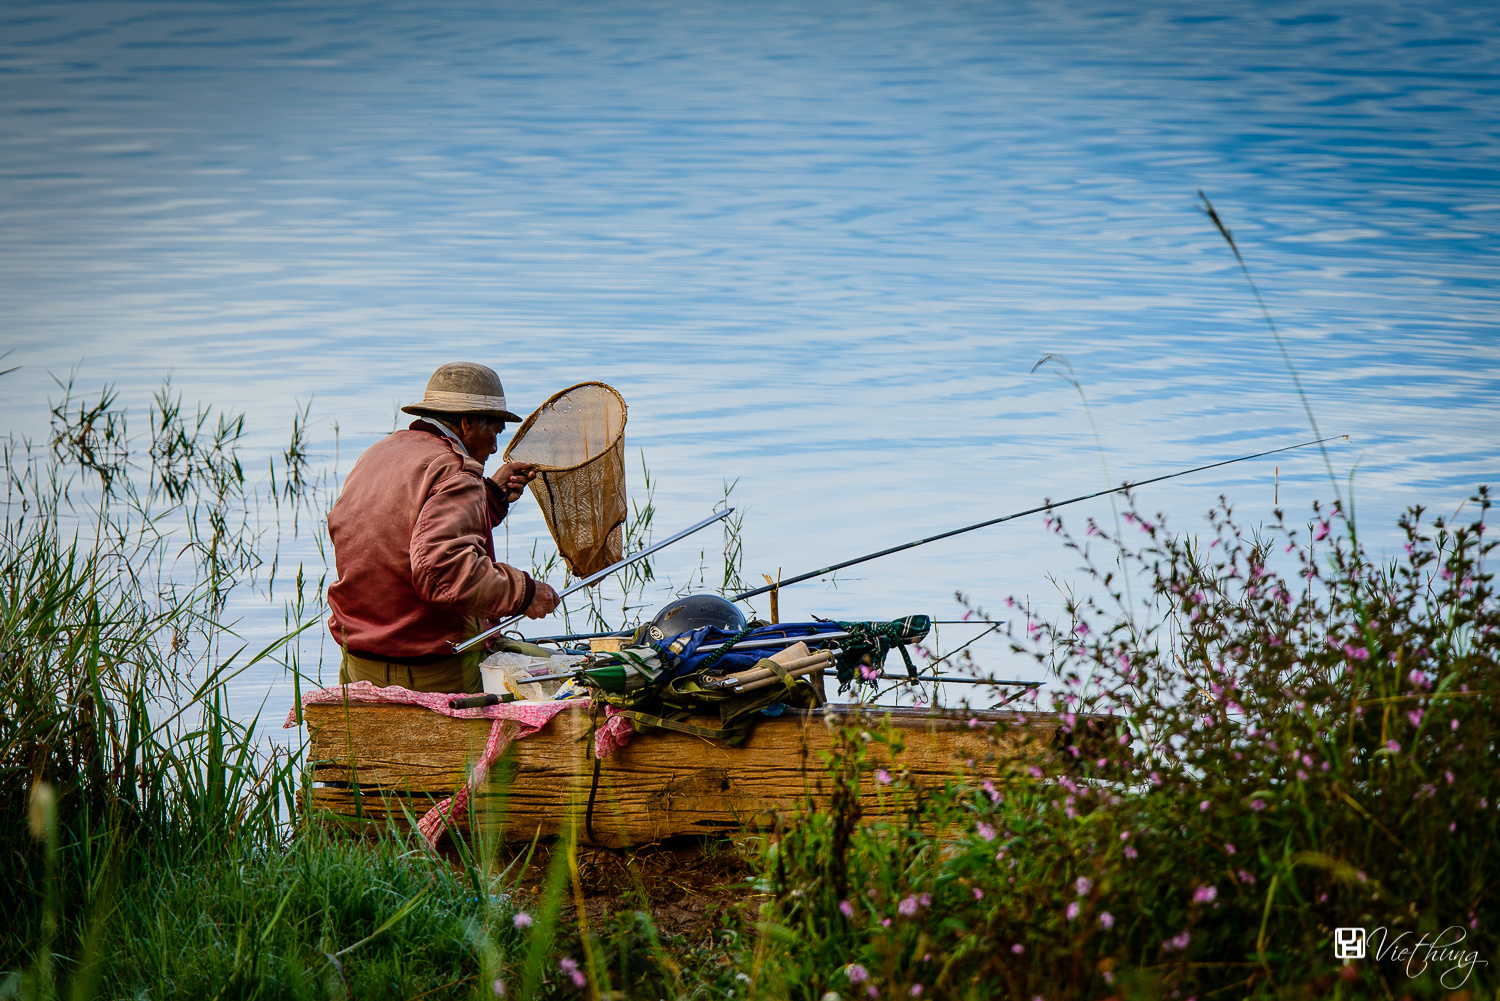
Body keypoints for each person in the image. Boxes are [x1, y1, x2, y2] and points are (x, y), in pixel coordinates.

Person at [326, 362, 561, 693]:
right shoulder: (456, 471)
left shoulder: (378, 453)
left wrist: (489, 495)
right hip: (434, 671)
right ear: (466, 423)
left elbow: (408, 531)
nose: (494, 447)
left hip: (360, 663)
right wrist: (524, 593)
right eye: (493, 432)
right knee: (567, 675)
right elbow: (441, 570)